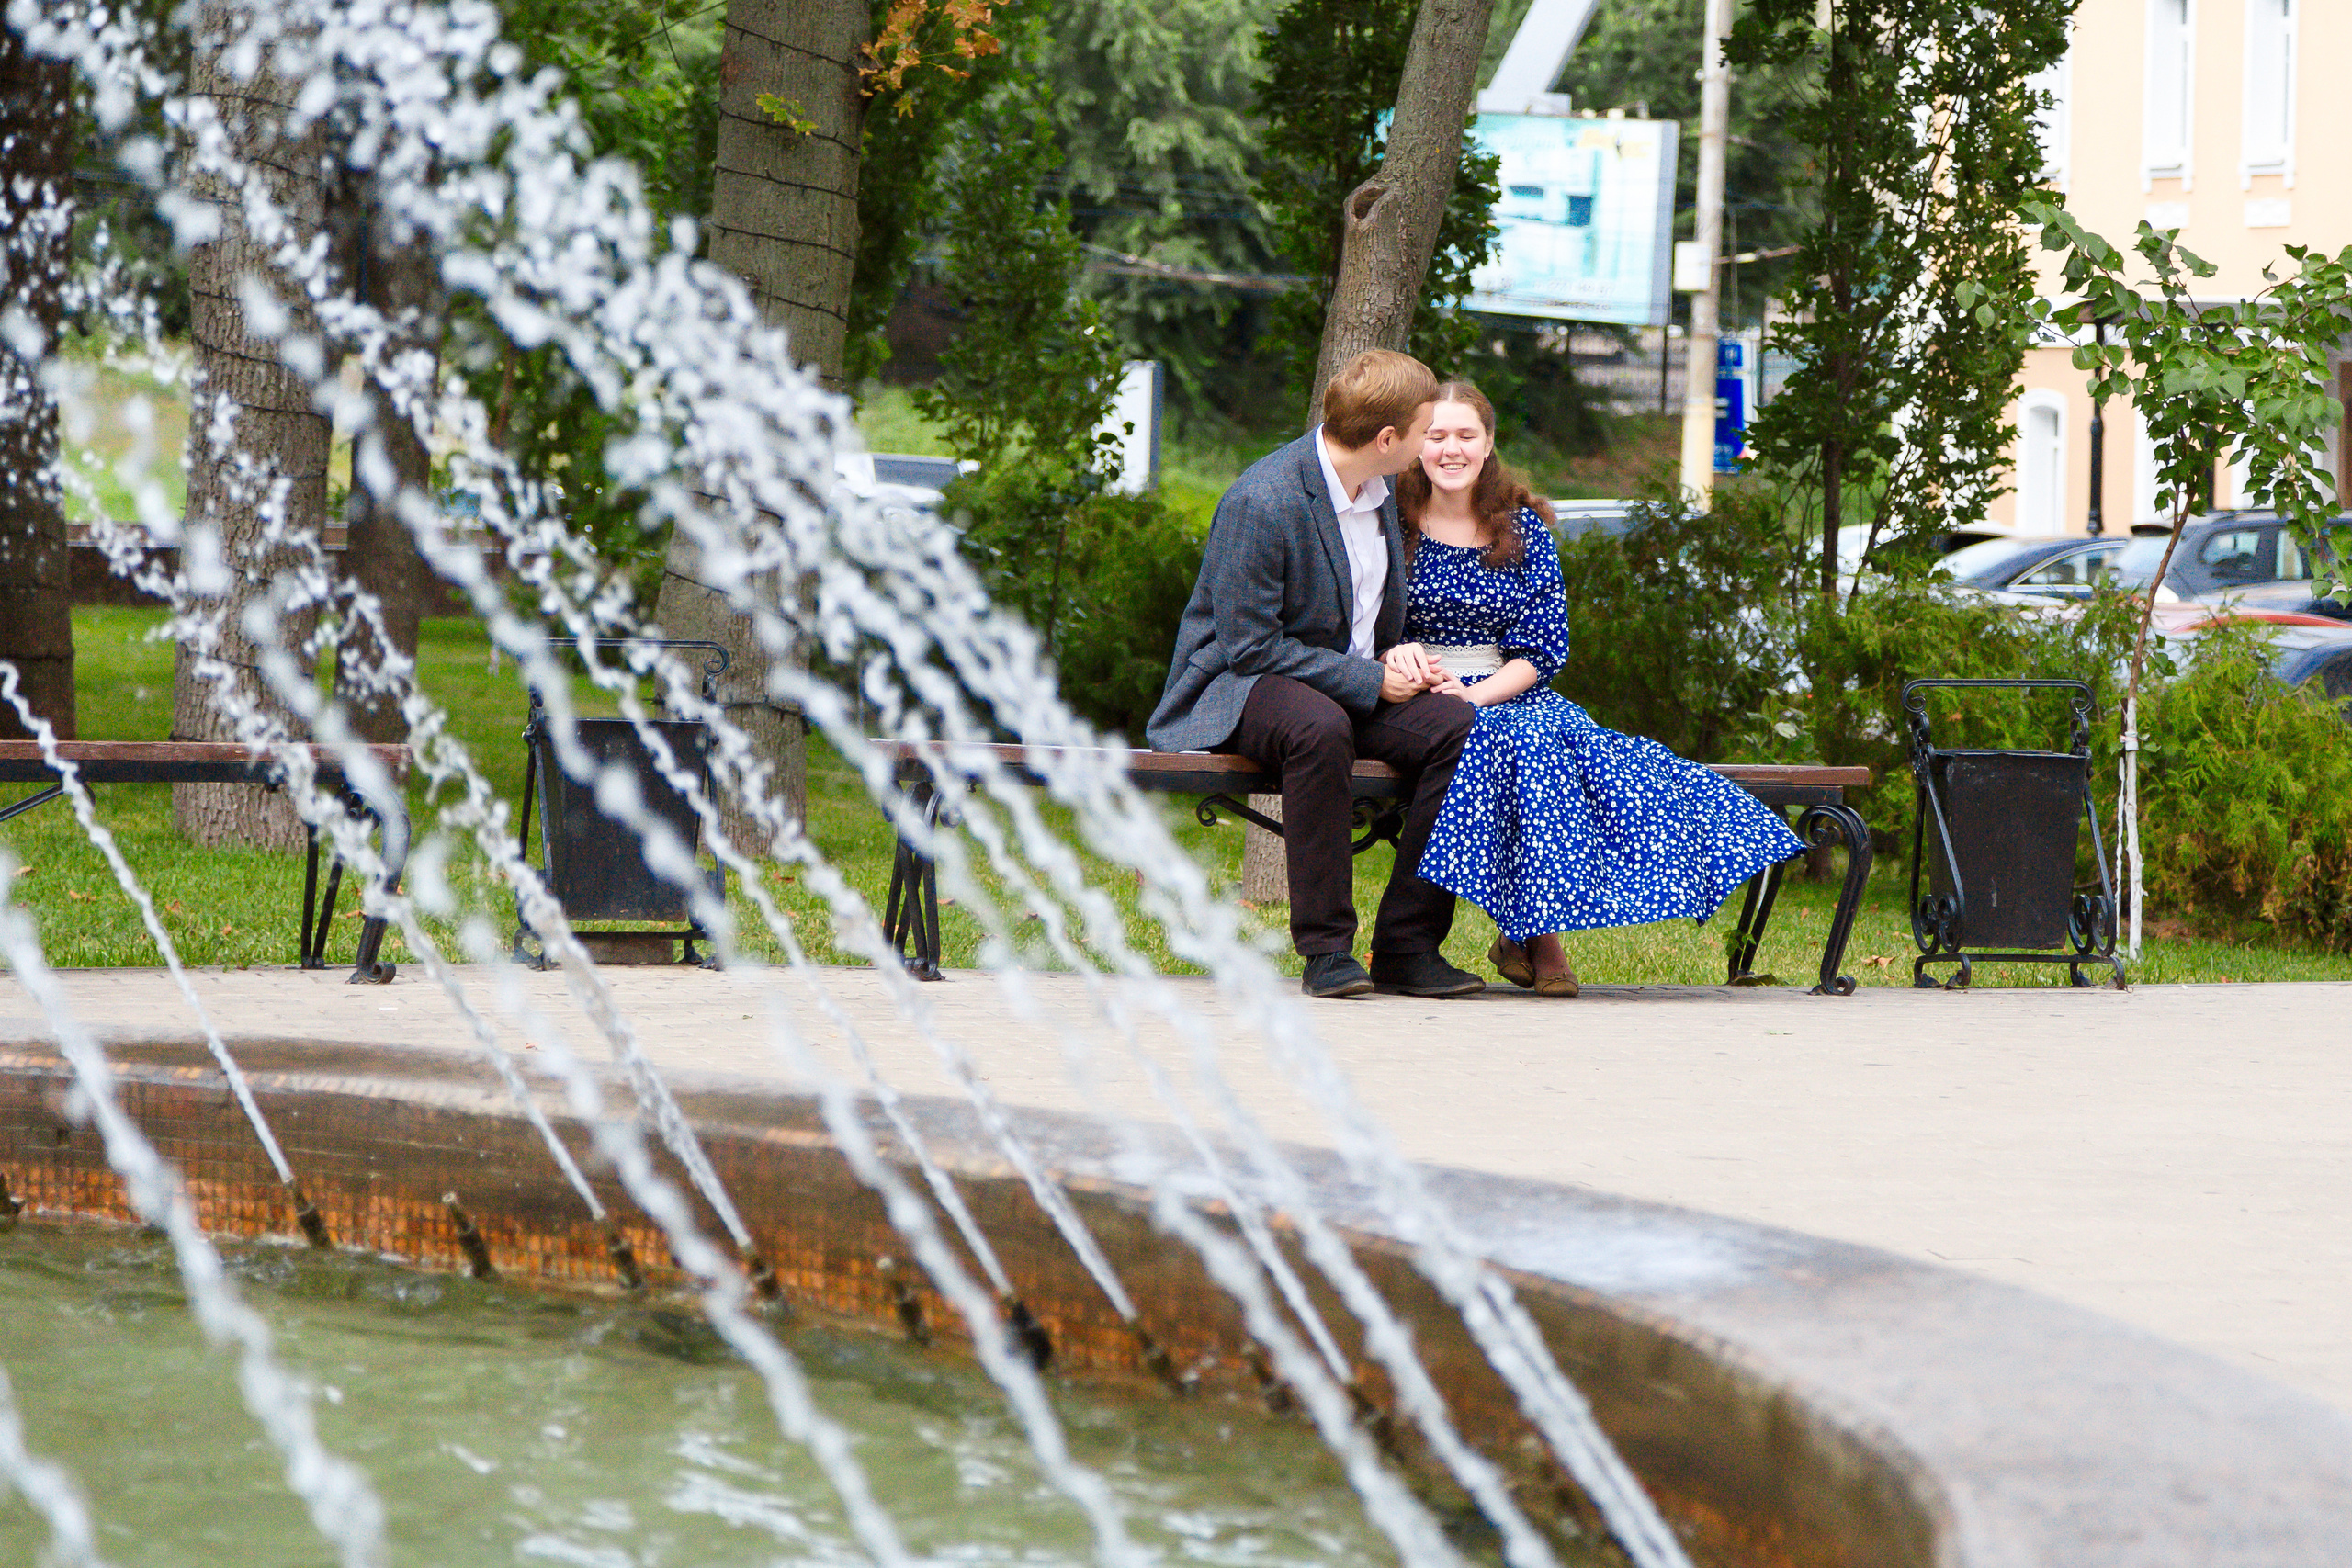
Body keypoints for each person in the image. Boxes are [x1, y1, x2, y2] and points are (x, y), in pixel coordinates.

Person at [1387, 382, 1804, 996]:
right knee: (1523, 748)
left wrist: (1475, 696)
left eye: (1465, 435)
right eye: (1437, 435)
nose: (1451, 449)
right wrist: (1413, 670)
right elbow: (1363, 618)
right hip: (1415, 693)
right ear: (1417, 442)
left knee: (1606, 760)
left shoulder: (1522, 528)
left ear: (1489, 442)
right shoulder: (1388, 520)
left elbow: (1542, 649)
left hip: (1504, 687)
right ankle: (1541, 938)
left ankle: (1532, 928)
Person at [1148, 350, 1486, 1000]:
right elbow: (1248, 646)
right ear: (1388, 439)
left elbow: (1366, 614)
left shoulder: (1378, 491)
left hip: (1346, 680)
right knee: (1319, 725)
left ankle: (1407, 946)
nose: (1428, 444)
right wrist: (1367, 681)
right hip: (1244, 684)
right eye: (1423, 431)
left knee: (1458, 726)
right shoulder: (1264, 498)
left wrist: (1398, 655)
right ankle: (1327, 951)